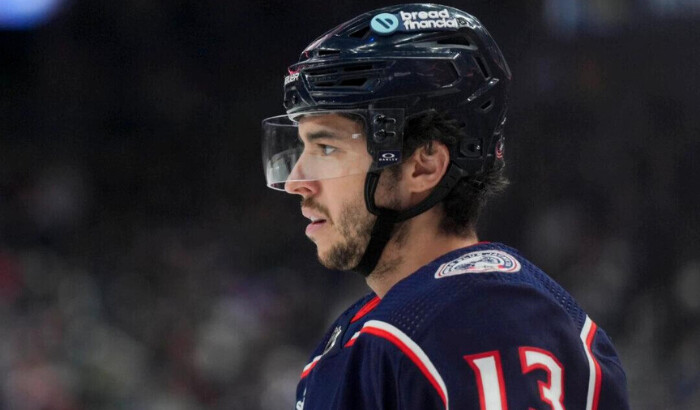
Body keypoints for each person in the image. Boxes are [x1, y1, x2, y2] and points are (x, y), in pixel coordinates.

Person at [262, 4, 630, 409]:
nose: (297, 182)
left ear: (423, 166)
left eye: (326, 147)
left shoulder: (452, 330)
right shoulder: (549, 318)